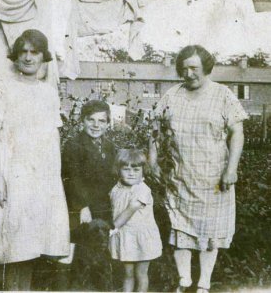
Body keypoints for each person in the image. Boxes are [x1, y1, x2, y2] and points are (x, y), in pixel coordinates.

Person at [149, 45, 248, 293]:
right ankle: (184, 281)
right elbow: (155, 129)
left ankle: (203, 283)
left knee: (210, 232)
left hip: (214, 177)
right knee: (180, 228)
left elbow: (237, 133)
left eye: (194, 68)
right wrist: (152, 161)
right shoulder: (172, 95)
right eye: (184, 69)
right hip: (179, 176)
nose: (188, 73)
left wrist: (231, 169)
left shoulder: (223, 95)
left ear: (206, 67)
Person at [0, 29, 70, 290]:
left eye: (35, 52)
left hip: (43, 179)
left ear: (44, 56)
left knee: (35, 248)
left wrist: (54, 184)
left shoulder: (49, 93)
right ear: (16, 56)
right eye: (23, 51)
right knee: (16, 250)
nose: (29, 57)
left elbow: (52, 138)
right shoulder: (1, 88)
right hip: (14, 175)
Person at [61, 100, 116, 289]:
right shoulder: (73, 145)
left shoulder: (109, 147)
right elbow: (71, 179)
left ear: (108, 124)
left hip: (102, 208)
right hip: (81, 209)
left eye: (101, 121)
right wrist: (82, 207)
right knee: (80, 257)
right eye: (91, 120)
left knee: (100, 256)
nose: (96, 125)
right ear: (82, 121)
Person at [109, 149, 162, 292]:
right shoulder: (116, 188)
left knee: (141, 273)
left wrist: (112, 228)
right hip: (125, 236)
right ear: (118, 171)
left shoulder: (141, 189)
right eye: (126, 169)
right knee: (128, 273)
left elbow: (130, 210)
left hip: (142, 237)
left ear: (143, 171)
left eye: (136, 169)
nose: (131, 173)